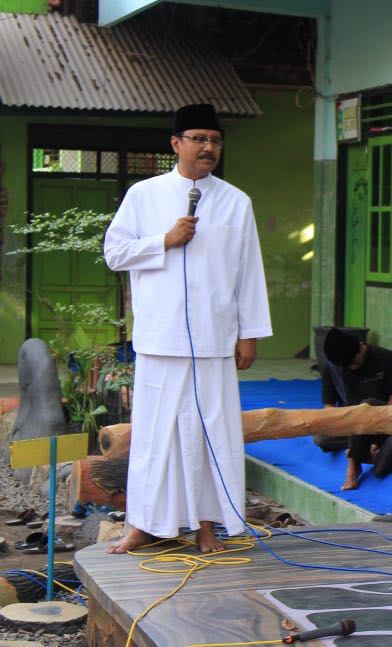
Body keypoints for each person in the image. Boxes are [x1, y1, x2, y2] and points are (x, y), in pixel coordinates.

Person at [103, 103, 272, 554]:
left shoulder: (236, 201)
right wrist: (165, 240)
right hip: (160, 340)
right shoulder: (144, 194)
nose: (209, 148)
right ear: (176, 144)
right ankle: (143, 524)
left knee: (210, 433)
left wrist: (248, 332)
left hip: (215, 341)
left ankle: (207, 526)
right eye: (199, 139)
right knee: (155, 436)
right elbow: (114, 253)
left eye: (215, 140)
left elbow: (248, 271)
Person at [318, 329, 392, 491]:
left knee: (367, 406)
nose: (352, 369)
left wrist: (374, 430)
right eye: (348, 366)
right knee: (322, 437)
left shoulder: (386, 358)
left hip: (380, 422)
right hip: (350, 423)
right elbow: (329, 408)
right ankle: (364, 446)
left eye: (355, 363)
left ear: (361, 347)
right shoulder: (333, 368)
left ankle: (354, 461)